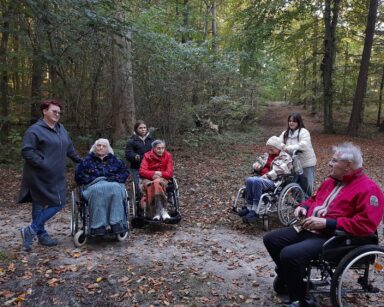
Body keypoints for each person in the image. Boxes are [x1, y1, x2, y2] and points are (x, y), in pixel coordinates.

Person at [263, 142, 384, 307]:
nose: (329, 163)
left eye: (334, 161)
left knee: (290, 254)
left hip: (335, 237)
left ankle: (301, 300)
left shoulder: (369, 189)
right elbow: (314, 199)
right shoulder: (331, 181)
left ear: (348, 166)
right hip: (310, 228)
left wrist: (327, 223)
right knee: (271, 239)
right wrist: (303, 207)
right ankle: (291, 277)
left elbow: (366, 225)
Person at [18, 99, 82, 252]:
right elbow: (27, 151)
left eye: (59, 112)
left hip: (57, 175)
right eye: (54, 111)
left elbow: (69, 149)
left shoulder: (61, 129)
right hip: (38, 174)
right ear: (44, 111)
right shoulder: (34, 130)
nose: (57, 114)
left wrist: (81, 161)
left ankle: (31, 230)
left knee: (58, 202)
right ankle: (40, 233)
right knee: (40, 204)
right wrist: (43, 164)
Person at [75, 139, 129, 235]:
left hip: (113, 183)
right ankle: (98, 226)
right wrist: (96, 179)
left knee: (116, 189)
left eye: (104, 146)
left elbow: (124, 173)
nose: (101, 148)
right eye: (98, 145)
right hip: (93, 185)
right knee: (98, 190)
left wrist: (114, 178)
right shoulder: (86, 161)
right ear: (94, 147)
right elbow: (79, 176)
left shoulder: (115, 160)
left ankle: (116, 223)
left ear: (108, 149)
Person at [239, 136, 293, 222]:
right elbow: (258, 162)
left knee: (257, 181)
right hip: (261, 178)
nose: (269, 150)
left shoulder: (285, 157)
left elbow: (281, 170)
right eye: (268, 148)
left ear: (278, 148)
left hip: (274, 181)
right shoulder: (266, 155)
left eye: (271, 148)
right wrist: (256, 166)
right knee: (249, 180)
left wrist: (267, 175)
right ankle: (249, 207)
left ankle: (255, 210)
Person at [278, 112, 316, 198]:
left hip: (306, 163)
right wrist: (282, 146)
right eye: (290, 121)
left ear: (299, 122)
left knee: (307, 185)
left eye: (294, 121)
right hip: (292, 163)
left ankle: (307, 204)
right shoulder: (285, 133)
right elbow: (278, 142)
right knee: (293, 184)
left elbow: (303, 144)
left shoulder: (304, 132)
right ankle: (299, 203)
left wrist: (288, 148)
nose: (291, 123)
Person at [139, 139, 173, 221]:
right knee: (154, 184)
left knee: (156, 183)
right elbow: (142, 171)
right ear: (153, 148)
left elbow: (169, 173)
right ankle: (162, 210)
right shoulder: (147, 156)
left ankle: (156, 212)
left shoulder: (168, 156)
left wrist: (160, 174)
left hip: (163, 179)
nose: (161, 150)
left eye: (162, 148)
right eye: (158, 148)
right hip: (148, 179)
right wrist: (153, 173)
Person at [125, 120, 154, 196]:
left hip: (151, 167)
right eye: (140, 128)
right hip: (137, 167)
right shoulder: (131, 141)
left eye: (144, 127)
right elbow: (128, 153)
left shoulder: (151, 140)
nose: (143, 129)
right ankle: (140, 203)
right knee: (139, 187)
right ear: (136, 129)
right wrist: (136, 156)